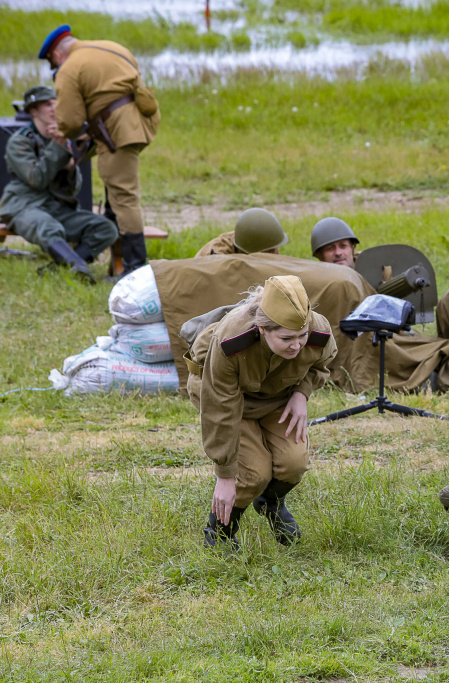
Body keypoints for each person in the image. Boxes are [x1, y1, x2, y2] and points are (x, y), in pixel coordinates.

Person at [184, 275, 338, 548]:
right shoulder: (232, 341)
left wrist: (302, 394)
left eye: (302, 336)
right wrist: (225, 475)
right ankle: (219, 532)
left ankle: (270, 503)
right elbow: (220, 407)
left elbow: (321, 364)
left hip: (276, 395)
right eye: (286, 338)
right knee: (253, 474)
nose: (297, 345)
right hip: (229, 400)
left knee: (294, 463)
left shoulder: (317, 328)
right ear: (263, 330)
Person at [39, 24, 160, 276]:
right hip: (140, 121)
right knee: (116, 190)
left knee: (124, 198)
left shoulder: (69, 69)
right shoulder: (111, 47)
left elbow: (70, 122)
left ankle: (134, 272)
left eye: (53, 62)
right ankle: (116, 257)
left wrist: (62, 132)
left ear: (57, 55)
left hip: (118, 131)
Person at [0, 85, 117, 283]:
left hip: (56, 206)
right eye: (47, 104)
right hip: (24, 206)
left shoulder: (65, 140)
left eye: (57, 103)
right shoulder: (19, 141)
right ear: (33, 111)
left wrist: (70, 167)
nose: (54, 108)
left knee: (106, 228)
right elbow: (36, 179)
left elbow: (74, 190)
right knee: (48, 226)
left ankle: (59, 268)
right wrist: (58, 147)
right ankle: (77, 267)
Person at [194, 208, 288, 257]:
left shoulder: (266, 243)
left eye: (274, 248)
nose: (275, 252)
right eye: (270, 250)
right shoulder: (218, 255)